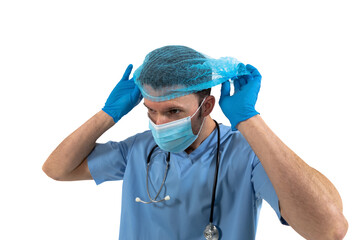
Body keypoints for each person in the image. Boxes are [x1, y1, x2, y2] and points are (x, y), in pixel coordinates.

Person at [43, 45, 348, 240]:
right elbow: (56, 169)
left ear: (207, 106)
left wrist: (247, 120)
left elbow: (329, 230)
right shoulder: (138, 149)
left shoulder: (247, 155)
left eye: (173, 111)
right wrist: (108, 115)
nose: (159, 125)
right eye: (151, 111)